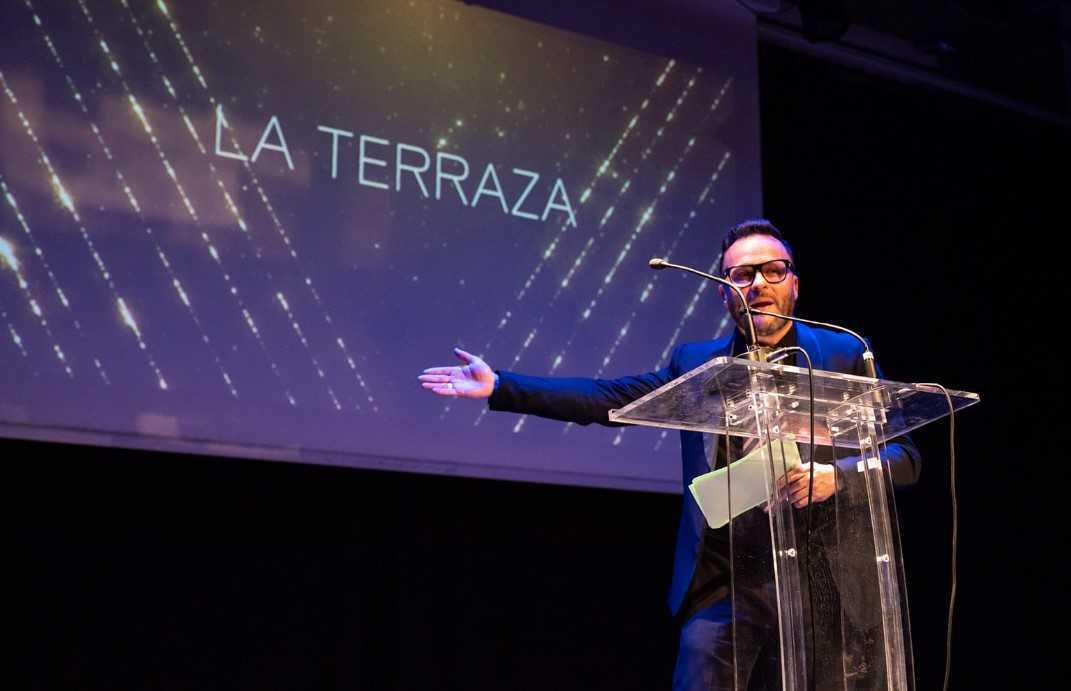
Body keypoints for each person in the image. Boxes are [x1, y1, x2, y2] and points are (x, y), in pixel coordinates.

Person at [418, 219, 920, 690]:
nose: (758, 284)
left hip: (824, 576)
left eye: (773, 271)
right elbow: (608, 398)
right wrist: (502, 386)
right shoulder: (697, 363)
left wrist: (838, 475)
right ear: (724, 292)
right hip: (726, 581)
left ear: (794, 284)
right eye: (741, 275)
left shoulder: (846, 353)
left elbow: (904, 457)